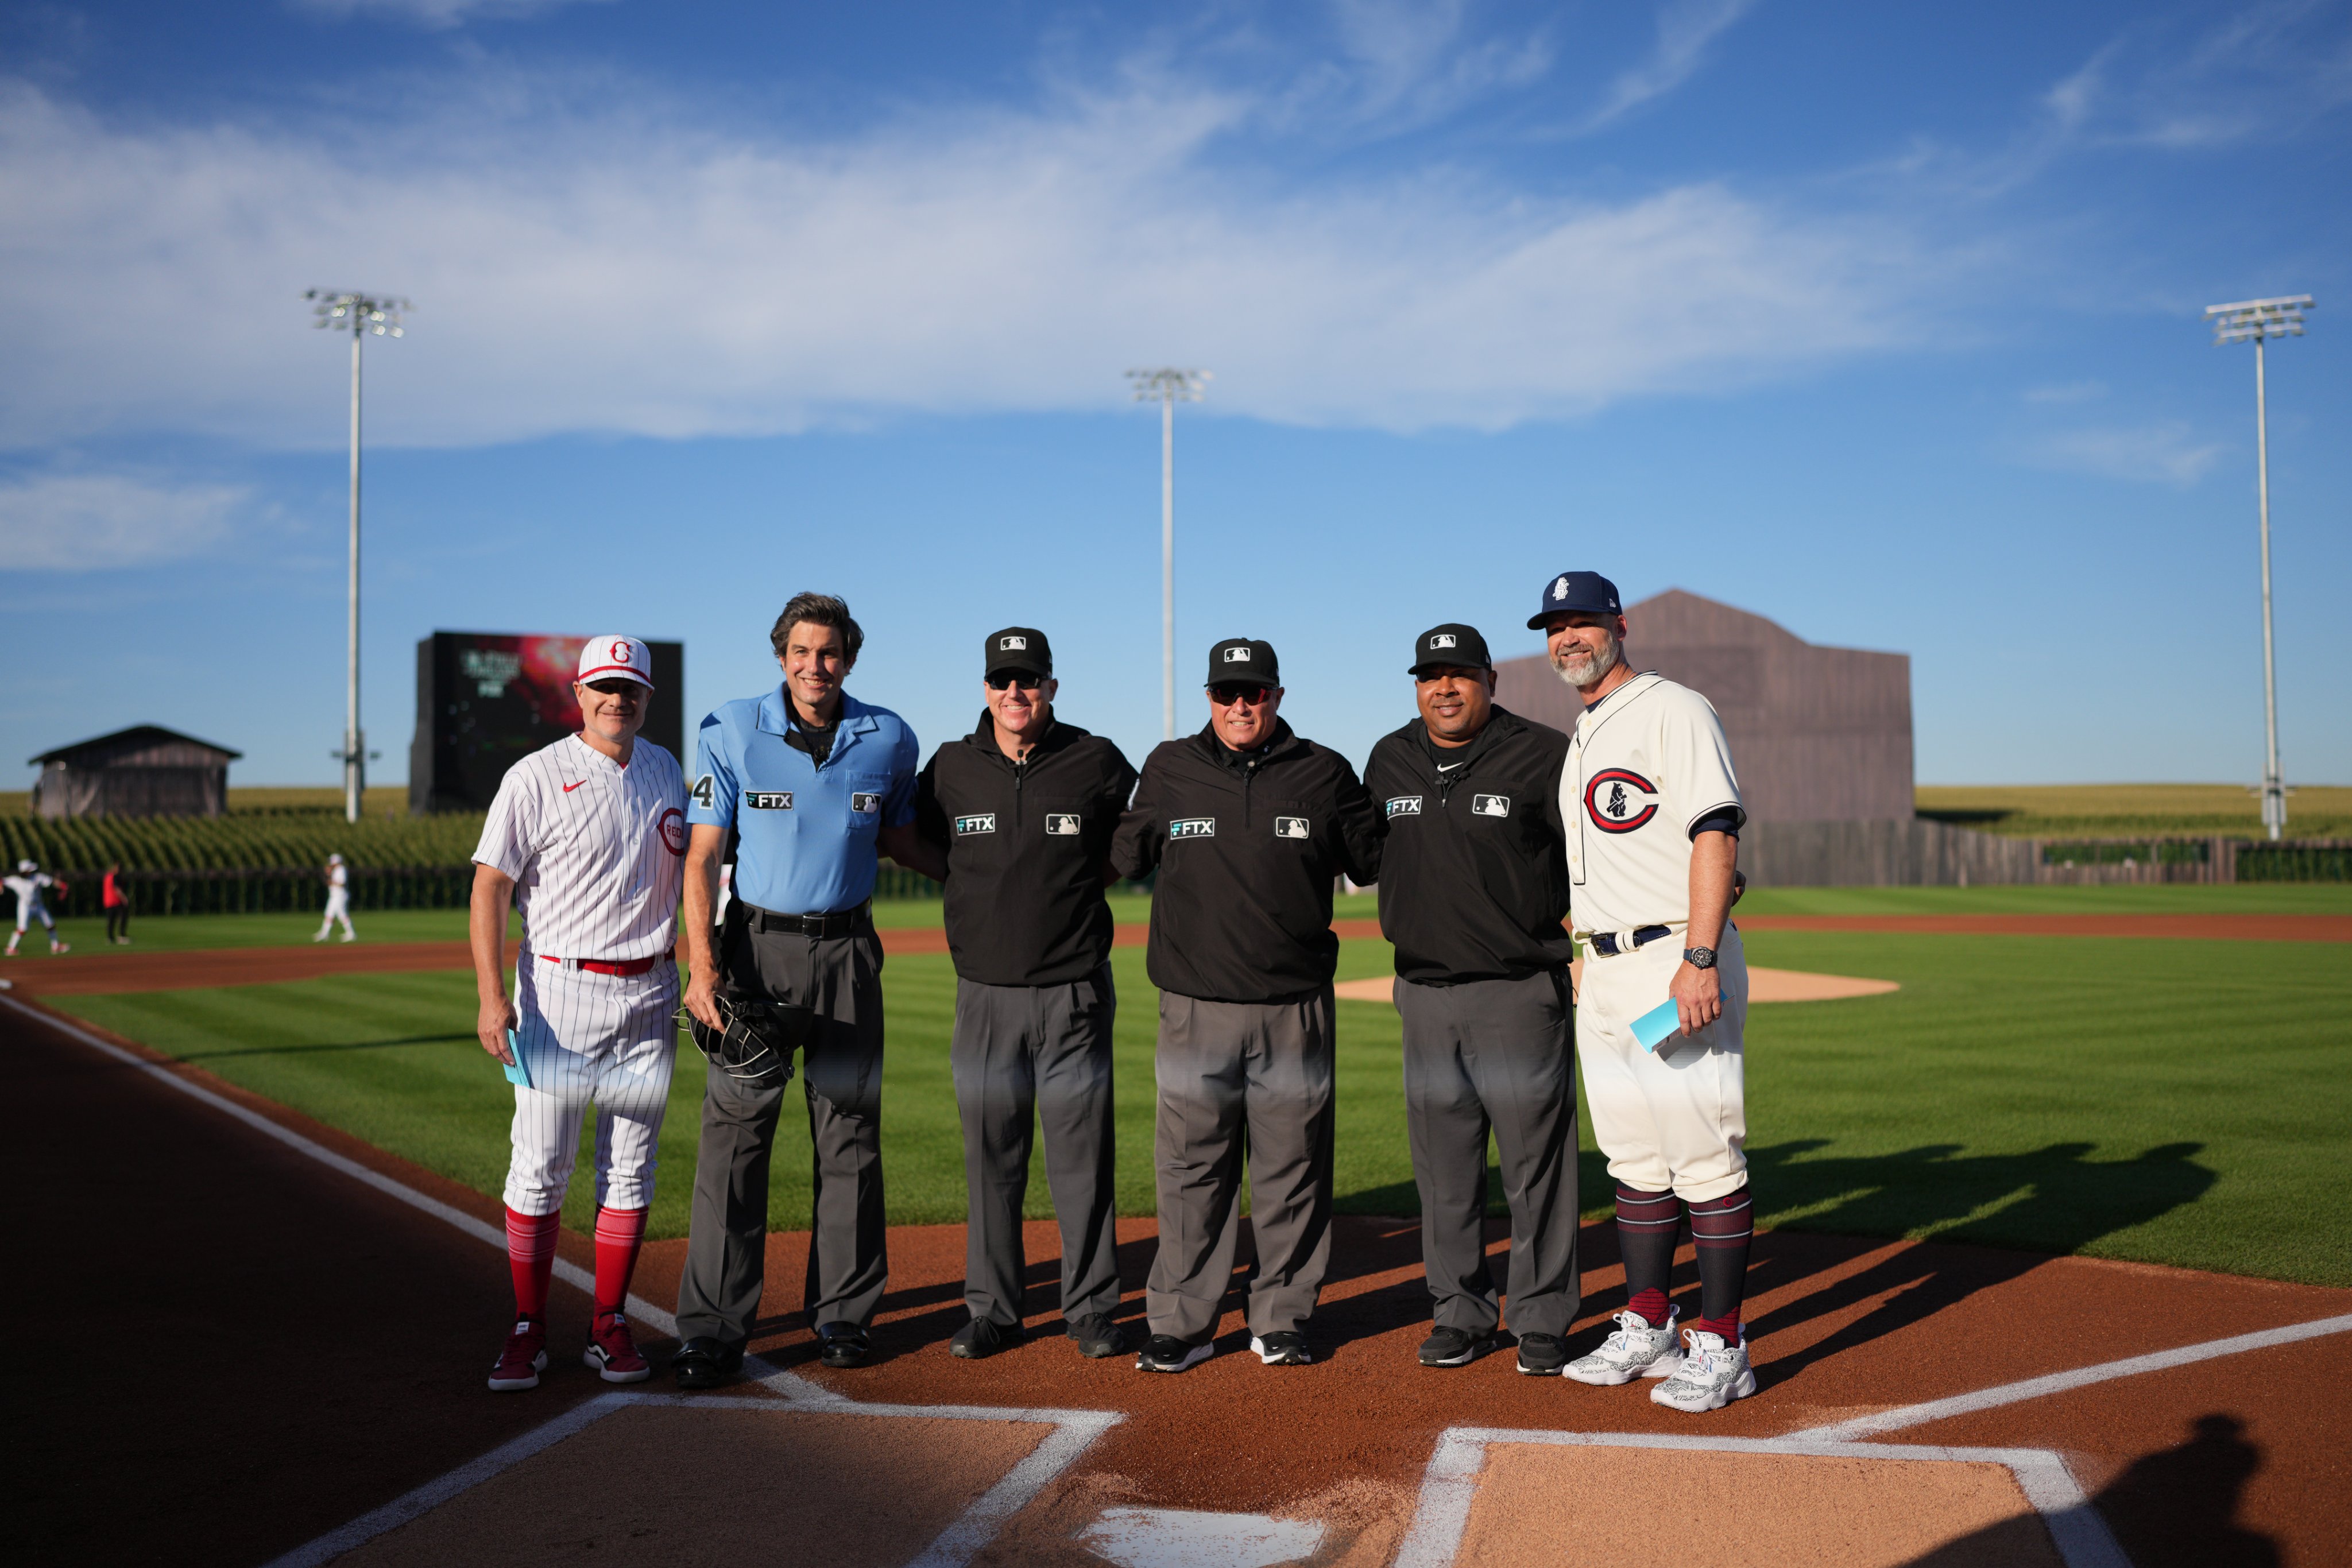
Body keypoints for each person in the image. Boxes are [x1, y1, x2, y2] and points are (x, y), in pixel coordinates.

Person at [672, 593, 926, 1387]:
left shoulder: (889, 737)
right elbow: (702, 855)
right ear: (781, 655)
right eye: (802, 651)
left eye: (831, 652)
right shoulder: (732, 729)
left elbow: (903, 835)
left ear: (849, 657)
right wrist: (703, 966)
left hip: (850, 952)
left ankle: (844, 1316)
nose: (816, 666)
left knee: (850, 1138)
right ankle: (713, 1328)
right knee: (736, 1143)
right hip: (755, 951)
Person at [1111, 638, 1382, 1373]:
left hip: (1292, 1008)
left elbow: (1381, 856)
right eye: (1227, 693)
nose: (1240, 705)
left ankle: (1283, 1316)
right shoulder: (1169, 766)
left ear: (1277, 696)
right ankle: (1182, 1321)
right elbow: (1121, 855)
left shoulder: (1322, 771)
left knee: (1292, 1167)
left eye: (1254, 692)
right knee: (1191, 1169)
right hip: (1194, 1006)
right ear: (1209, 698)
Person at [1535, 571, 1757, 1414]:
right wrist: (1586, 948)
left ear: (1619, 625)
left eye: (1583, 623)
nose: (1569, 639)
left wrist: (1699, 956)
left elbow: (1716, 827)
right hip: (1607, 970)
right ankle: (1649, 1321)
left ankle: (1725, 1341)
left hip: (1674, 961)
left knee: (1703, 1154)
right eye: (1556, 628)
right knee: (1634, 1157)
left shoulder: (1674, 707)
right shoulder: (1585, 729)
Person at [912, 627, 1138, 1361]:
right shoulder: (949, 766)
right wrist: (968, 888)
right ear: (985, 688)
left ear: (1051, 686)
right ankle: (994, 1310)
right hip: (984, 995)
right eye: (1004, 680)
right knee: (991, 1160)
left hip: (1072, 991)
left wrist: (1077, 887)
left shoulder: (1095, 758)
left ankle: (1093, 1310)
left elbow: (1131, 840)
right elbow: (911, 838)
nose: (1017, 692)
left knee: (1082, 1162)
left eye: (1030, 679)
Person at [470, 635, 688, 1392]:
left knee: (630, 1168)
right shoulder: (535, 775)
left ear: (646, 697)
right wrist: (491, 993)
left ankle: (608, 1320)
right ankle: (529, 1324)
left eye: (629, 688)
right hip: (559, 993)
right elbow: (491, 884)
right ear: (579, 692)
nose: (615, 699)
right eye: (603, 686)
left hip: (651, 993)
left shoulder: (665, 769)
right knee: (541, 1168)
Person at [1364, 624, 1580, 1376]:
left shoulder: (1546, 752)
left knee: (1536, 1167)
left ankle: (1542, 1314)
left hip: (1518, 991)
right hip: (1424, 994)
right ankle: (1459, 1310)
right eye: (1431, 675)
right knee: (1444, 1168)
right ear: (1417, 685)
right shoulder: (1388, 757)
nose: (1444, 688)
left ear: (1491, 680)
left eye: (1460, 675)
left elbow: (1590, 859)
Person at [5, 860, 69, 957]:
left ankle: (55, 946)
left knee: (50, 924)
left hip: (38, 905)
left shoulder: (37, 878)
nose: (31, 871)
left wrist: (63, 886)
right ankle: (10, 949)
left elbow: (52, 881)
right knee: (22, 928)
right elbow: (2, 881)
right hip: (25, 905)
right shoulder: (15, 880)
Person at [314, 853, 355, 943]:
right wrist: (329, 874)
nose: (330, 862)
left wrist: (331, 881)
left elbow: (342, 883)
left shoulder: (341, 870)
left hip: (340, 895)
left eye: (332, 860)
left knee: (342, 914)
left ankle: (351, 933)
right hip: (334, 895)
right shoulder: (336, 870)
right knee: (329, 914)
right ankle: (325, 934)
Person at [102, 862, 131, 945]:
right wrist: (124, 898)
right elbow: (117, 889)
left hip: (108, 902)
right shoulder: (114, 877)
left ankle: (110, 938)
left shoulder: (107, 877)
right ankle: (121, 936)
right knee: (122, 918)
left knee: (111, 921)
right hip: (115, 901)